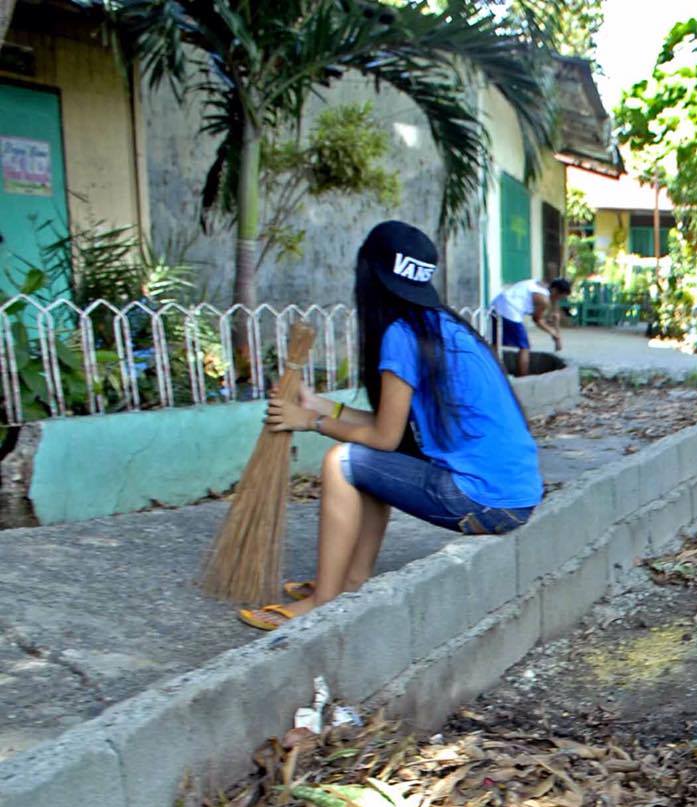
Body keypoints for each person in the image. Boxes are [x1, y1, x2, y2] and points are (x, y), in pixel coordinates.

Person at [240, 221, 542, 629]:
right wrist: (318, 405)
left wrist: (310, 421)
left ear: (369, 277)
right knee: (372, 464)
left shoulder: (401, 335)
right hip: (514, 497)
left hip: (483, 499)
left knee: (341, 462)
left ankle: (324, 602)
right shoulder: (443, 327)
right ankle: (350, 580)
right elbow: (391, 432)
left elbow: (382, 437)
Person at [491, 275, 570, 377]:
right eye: (560, 297)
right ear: (555, 291)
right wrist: (553, 332)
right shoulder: (543, 300)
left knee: (495, 343)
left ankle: (495, 373)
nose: (559, 300)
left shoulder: (539, 283)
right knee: (524, 347)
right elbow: (537, 320)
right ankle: (523, 377)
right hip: (510, 311)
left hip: (496, 305)